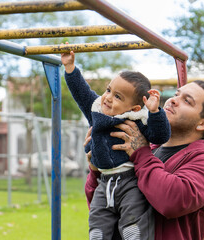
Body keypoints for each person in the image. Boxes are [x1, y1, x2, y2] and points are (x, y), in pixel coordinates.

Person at [85, 79, 204, 240]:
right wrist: (97, 170)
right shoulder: (146, 147)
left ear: (203, 124)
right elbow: (105, 207)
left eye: (187, 101)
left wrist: (140, 153)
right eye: (176, 94)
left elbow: (172, 201)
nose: (173, 100)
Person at [61, 49, 171, 240]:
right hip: (104, 181)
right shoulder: (97, 112)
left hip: (130, 180)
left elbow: (160, 136)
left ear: (135, 108)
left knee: (134, 215)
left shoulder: (137, 120)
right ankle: (98, 235)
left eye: (118, 97)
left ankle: (134, 234)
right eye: (109, 90)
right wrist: (70, 68)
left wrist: (155, 113)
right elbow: (81, 92)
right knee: (98, 217)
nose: (108, 97)